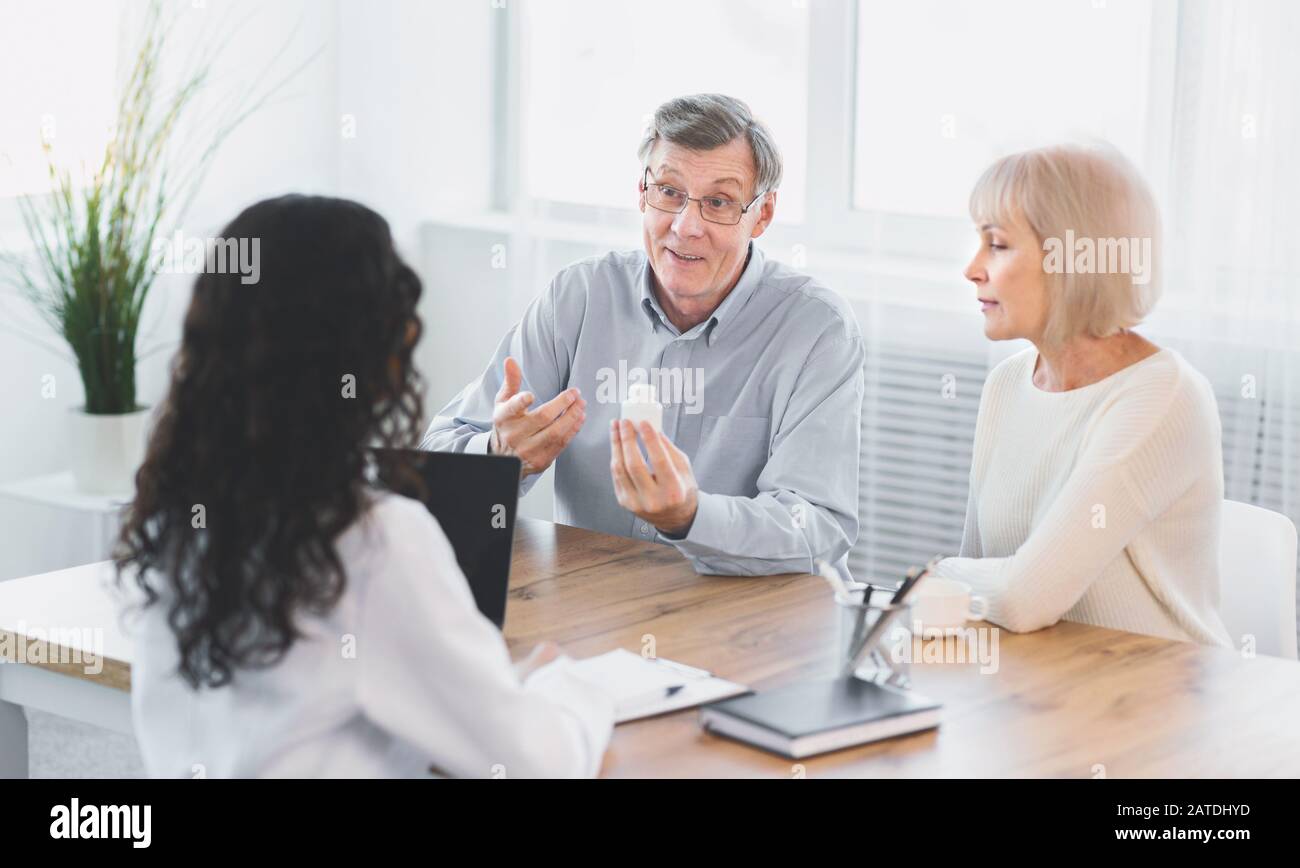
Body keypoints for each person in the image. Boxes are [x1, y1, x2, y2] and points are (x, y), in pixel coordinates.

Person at [116, 195, 613, 777]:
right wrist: (573, 688)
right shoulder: (372, 542)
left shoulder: (174, 515)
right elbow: (534, 763)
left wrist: (493, 696)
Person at [422, 94, 865, 576]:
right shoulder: (580, 297)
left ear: (762, 214)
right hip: (598, 611)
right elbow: (435, 464)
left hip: (752, 622)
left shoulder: (817, 328)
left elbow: (818, 524)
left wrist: (690, 516)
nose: (685, 226)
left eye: (718, 203)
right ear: (642, 192)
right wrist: (498, 457)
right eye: (669, 193)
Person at [936, 143, 1232, 646]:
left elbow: (1019, 597)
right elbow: (984, 579)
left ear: (1072, 259)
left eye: (999, 244)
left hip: (1160, 703)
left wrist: (936, 575)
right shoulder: (1007, 384)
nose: (973, 268)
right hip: (1044, 684)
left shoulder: (1162, 396)